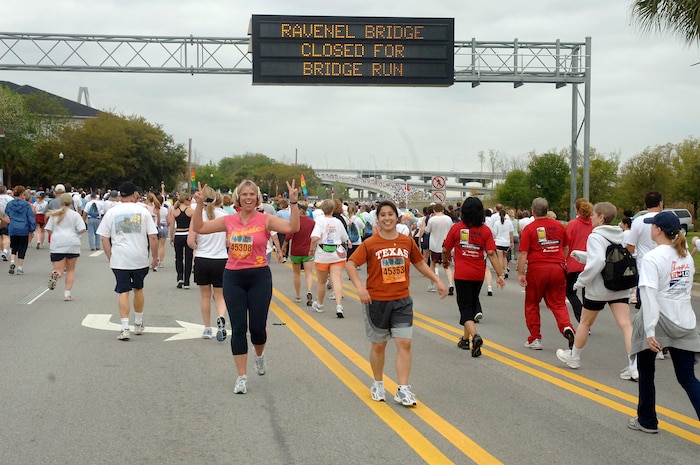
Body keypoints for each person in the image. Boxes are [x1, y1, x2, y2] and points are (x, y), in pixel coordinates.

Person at [192, 179, 299, 395]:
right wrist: (200, 205)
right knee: (239, 328)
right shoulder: (229, 220)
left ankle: (259, 356)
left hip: (259, 276)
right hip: (233, 277)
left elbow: (292, 228)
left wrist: (294, 203)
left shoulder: (266, 220)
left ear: (257, 197)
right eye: (244, 194)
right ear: (238, 197)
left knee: (257, 329)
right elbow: (200, 228)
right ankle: (241, 376)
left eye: (252, 194)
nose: (248, 198)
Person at [346, 200, 447, 407]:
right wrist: (360, 287)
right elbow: (351, 263)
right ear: (377, 219)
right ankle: (378, 382)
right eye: (382, 215)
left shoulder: (406, 241)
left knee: (405, 343)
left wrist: (437, 280)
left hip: (402, 300)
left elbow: (418, 262)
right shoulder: (370, 243)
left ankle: (403, 389)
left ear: (397, 217)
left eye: (390, 214)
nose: (387, 218)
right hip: (377, 301)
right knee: (379, 345)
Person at [628, 211, 700, 433]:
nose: (650, 228)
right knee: (687, 377)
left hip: (659, 318)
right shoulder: (685, 255)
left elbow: (649, 295)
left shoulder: (652, 258)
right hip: (684, 319)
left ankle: (647, 420)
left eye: (652, 226)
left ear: (658, 230)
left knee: (646, 371)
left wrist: (649, 330)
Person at [555, 202, 638, 380]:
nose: (591, 217)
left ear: (601, 218)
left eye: (594, 214)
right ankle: (634, 366)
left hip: (599, 288)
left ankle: (574, 357)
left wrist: (581, 281)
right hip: (619, 286)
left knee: (585, 322)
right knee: (625, 325)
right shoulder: (621, 234)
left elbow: (599, 262)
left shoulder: (596, 236)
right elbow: (610, 257)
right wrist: (584, 256)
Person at [442, 197, 505, 357]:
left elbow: (445, 248)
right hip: (478, 274)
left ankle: (475, 336)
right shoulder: (485, 231)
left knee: (464, 308)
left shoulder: (457, 228)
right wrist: (499, 274)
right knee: (470, 304)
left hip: (462, 274)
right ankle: (465, 339)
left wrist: (445, 261)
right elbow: (491, 253)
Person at [96, 182, 159, 341]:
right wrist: (155, 256)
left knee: (123, 291)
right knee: (138, 288)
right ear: (134, 195)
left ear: (120, 195)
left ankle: (125, 328)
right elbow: (152, 236)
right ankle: (138, 323)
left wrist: (110, 255)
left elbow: (104, 237)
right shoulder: (143, 212)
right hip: (139, 256)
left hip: (120, 257)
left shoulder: (112, 212)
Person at [517, 197, 576, 350]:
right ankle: (566, 327)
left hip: (537, 268)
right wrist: (562, 261)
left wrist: (520, 273)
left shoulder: (529, 229)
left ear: (533, 211)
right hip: (557, 267)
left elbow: (523, 253)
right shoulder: (559, 226)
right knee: (558, 303)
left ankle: (535, 338)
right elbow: (566, 247)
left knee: (532, 304)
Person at [188, 187, 228, 341]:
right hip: (220, 259)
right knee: (220, 295)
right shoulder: (224, 216)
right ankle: (221, 316)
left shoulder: (199, 216)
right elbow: (230, 240)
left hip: (203, 258)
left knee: (205, 296)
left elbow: (190, 241)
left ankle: (206, 328)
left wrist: (198, 246)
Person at [309, 199, 350, 318]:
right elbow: (344, 238)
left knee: (321, 281)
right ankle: (339, 306)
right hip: (337, 253)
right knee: (336, 280)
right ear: (333, 209)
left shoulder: (319, 221)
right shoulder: (338, 222)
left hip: (323, 254)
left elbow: (315, 238)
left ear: (322, 209)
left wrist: (312, 249)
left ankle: (320, 305)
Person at [45, 193, 86, 300]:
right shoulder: (75, 215)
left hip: (58, 243)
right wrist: (77, 234)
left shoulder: (54, 215)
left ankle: (55, 274)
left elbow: (49, 229)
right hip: (72, 243)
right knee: (70, 270)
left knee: (59, 270)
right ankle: (67, 294)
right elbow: (82, 229)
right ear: (71, 203)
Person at [564, 198, 594, 323]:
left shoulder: (572, 224)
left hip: (574, 262)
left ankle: (581, 318)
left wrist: (564, 260)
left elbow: (566, 244)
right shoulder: (594, 224)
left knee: (570, 292)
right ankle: (587, 321)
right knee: (587, 294)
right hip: (590, 263)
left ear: (577, 209)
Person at [281, 201, 316, 305]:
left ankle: (298, 296)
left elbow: (288, 236)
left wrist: (284, 247)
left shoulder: (294, 222)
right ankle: (309, 291)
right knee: (309, 273)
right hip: (307, 251)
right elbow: (314, 236)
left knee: (296, 274)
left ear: (300, 209)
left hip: (295, 251)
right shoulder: (312, 222)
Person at [424, 203, 455, 295]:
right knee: (447, 266)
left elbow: (427, 231)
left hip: (434, 245)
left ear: (434, 211)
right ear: (443, 210)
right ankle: (450, 283)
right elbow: (451, 230)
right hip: (446, 245)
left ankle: (432, 285)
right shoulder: (448, 219)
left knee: (433, 264)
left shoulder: (432, 219)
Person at [5, 185, 36, 275]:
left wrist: (7, 227)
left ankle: (12, 261)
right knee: (22, 247)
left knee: (13, 246)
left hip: (13, 227)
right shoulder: (26, 205)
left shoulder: (10, 204)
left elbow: (7, 216)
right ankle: (20, 267)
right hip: (23, 228)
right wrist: (32, 228)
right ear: (22, 194)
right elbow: (30, 217)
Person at [170, 193, 194, 288]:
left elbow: (172, 226)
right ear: (185, 200)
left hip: (178, 234)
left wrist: (171, 236)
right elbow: (193, 225)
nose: (190, 201)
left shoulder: (174, 211)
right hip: (188, 234)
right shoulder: (191, 211)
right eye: (189, 200)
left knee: (178, 257)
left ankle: (180, 277)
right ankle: (187, 281)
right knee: (188, 258)